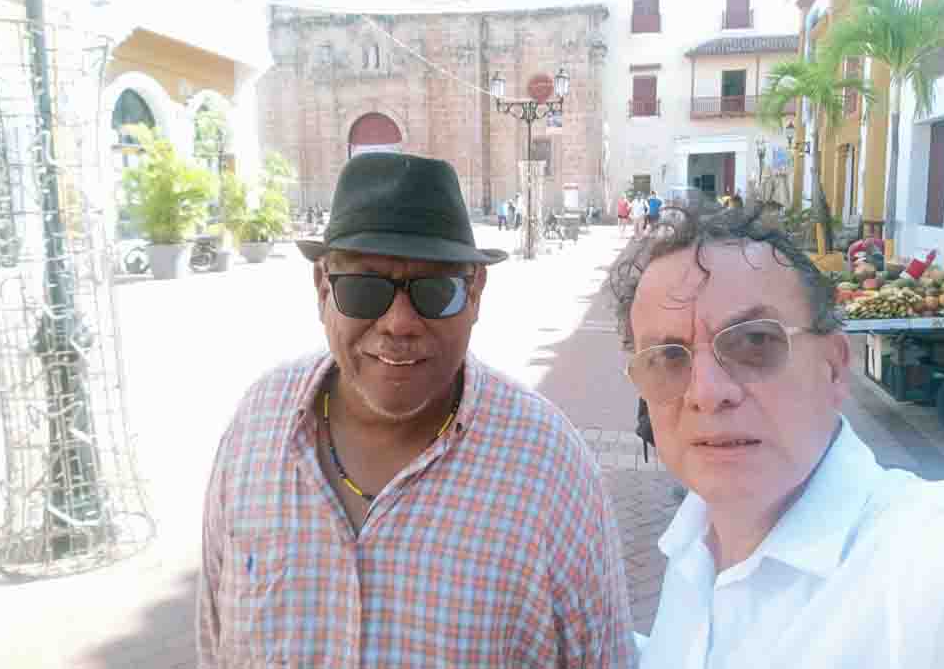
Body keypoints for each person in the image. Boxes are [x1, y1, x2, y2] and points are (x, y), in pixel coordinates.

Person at [197, 152, 636, 668]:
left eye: (436, 290)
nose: (399, 322)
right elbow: (214, 641)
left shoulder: (551, 470)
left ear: (475, 294)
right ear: (322, 288)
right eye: (364, 288)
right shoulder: (255, 427)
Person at [611, 208, 944, 669]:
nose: (707, 393)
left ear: (833, 367)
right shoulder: (694, 539)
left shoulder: (934, 562)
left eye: (755, 342)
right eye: (668, 359)